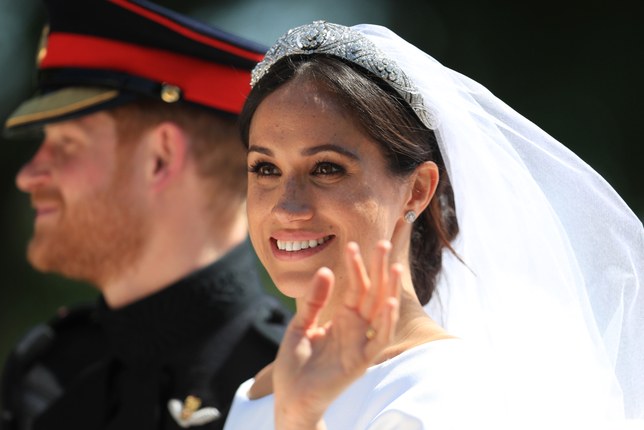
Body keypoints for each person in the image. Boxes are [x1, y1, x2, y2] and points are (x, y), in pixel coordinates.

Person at [221, 21, 644, 430]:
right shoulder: (256, 392)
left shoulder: (443, 389)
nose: (288, 207)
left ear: (417, 190)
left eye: (327, 168)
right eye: (265, 168)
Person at [0, 1, 290, 429]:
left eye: (66, 144)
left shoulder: (294, 385)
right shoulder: (45, 372)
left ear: (160, 158)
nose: (28, 175)